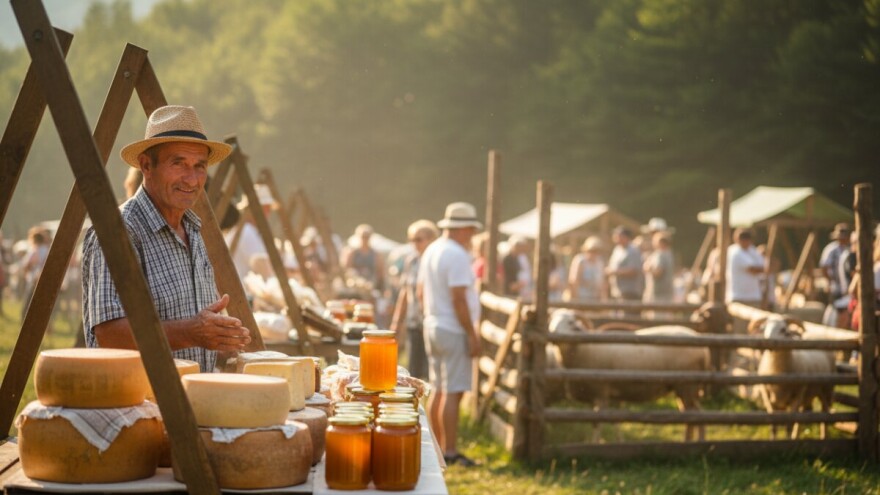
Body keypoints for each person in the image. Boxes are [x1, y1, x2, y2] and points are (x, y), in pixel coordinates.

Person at [82, 105, 251, 372]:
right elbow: (109, 335)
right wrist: (193, 333)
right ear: (147, 166)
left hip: (194, 397)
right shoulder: (119, 232)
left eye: (199, 166)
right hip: (140, 405)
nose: (192, 179)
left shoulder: (193, 230)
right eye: (179, 164)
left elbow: (191, 329)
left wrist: (219, 342)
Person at [417, 202, 482, 467]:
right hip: (452, 327)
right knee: (453, 391)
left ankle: (437, 448)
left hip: (433, 324)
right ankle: (451, 450)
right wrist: (472, 333)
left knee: (439, 389)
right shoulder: (456, 254)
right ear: (463, 229)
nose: (472, 235)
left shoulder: (433, 249)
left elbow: (421, 291)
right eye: (470, 230)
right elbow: (458, 298)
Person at [390, 219, 439, 379]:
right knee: (414, 371)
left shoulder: (436, 260)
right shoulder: (411, 260)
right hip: (414, 322)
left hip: (432, 321)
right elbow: (405, 292)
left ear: (432, 239)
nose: (414, 244)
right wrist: (397, 321)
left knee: (432, 372)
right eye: (412, 240)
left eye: (419, 239)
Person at [226, 183, 280, 280]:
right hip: (242, 292)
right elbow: (263, 269)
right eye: (264, 208)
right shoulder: (246, 231)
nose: (268, 213)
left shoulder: (250, 231)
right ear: (251, 209)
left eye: (268, 208)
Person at [725, 228, 765, 306]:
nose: (745, 241)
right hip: (738, 297)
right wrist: (763, 269)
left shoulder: (752, 250)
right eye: (743, 238)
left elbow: (766, 267)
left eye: (747, 238)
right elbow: (753, 269)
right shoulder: (735, 252)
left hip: (754, 296)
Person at [20, 226, 51, 321]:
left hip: (34, 279)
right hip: (44, 280)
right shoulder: (47, 249)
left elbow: (27, 264)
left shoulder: (34, 250)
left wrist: (26, 272)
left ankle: (24, 322)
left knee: (27, 304)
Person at [606, 226, 643, 305]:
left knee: (628, 316)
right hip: (617, 291)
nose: (615, 237)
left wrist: (614, 271)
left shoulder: (633, 250)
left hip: (630, 292)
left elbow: (634, 270)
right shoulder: (617, 249)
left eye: (617, 235)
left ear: (625, 237)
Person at [343, 224, 385, 290]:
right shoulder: (352, 253)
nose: (365, 239)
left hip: (371, 283)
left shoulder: (376, 254)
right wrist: (357, 279)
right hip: (354, 282)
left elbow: (380, 273)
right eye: (363, 236)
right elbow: (346, 269)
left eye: (367, 236)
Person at [567, 235, 605, 302]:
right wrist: (575, 298)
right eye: (592, 250)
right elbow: (574, 280)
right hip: (582, 297)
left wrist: (603, 297)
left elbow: (601, 282)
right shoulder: (580, 260)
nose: (594, 253)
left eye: (596, 250)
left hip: (595, 297)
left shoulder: (599, 262)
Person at [643, 232, 675, 305]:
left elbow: (658, 272)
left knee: (658, 315)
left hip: (657, 294)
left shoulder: (660, 255)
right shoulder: (669, 253)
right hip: (665, 292)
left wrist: (648, 268)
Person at [501, 235, 532, 299]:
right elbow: (507, 279)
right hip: (508, 293)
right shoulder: (507, 259)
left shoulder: (518, 258)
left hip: (516, 292)